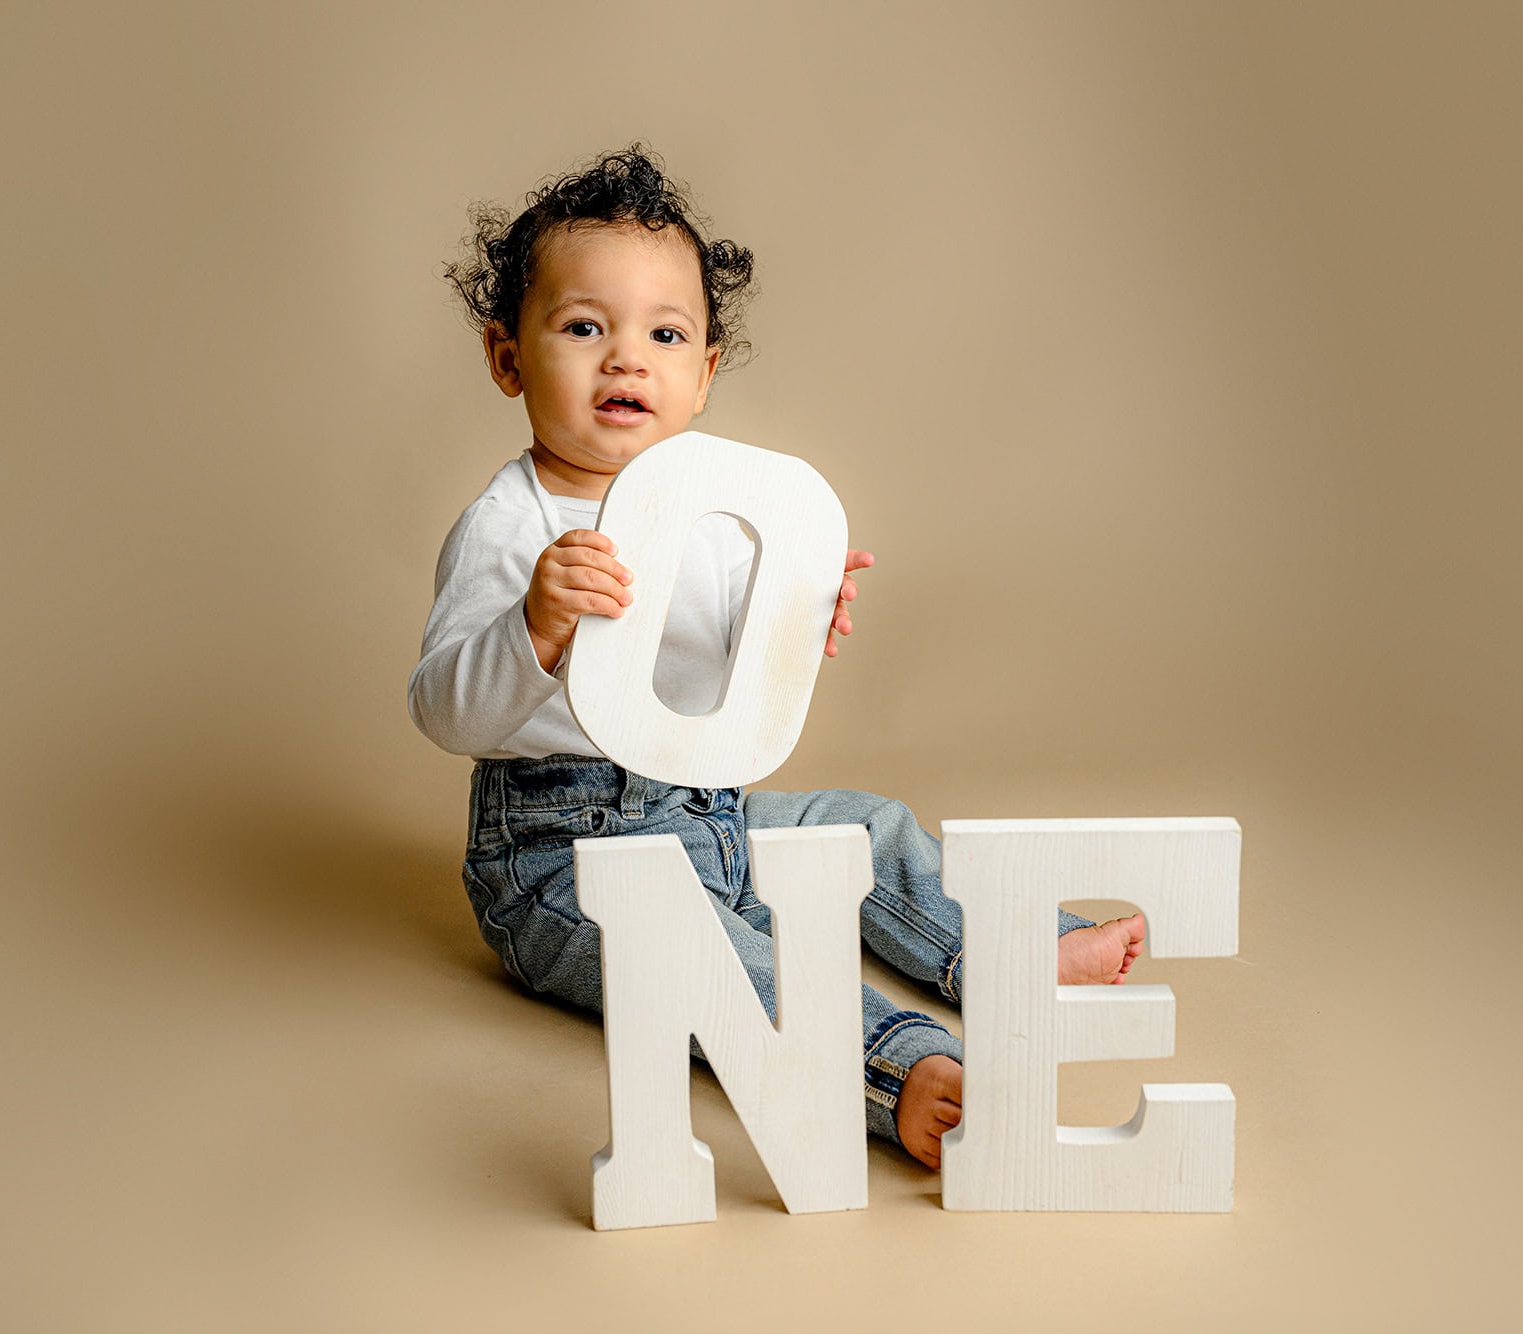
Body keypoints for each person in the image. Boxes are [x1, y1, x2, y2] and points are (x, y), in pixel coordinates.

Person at [408, 145, 1145, 1170]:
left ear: (702, 373)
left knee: (865, 825)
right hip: (558, 856)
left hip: (702, 808)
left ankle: (1009, 950)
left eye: (663, 334)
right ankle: (899, 1069)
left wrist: (796, 617)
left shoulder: (709, 514)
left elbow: (725, 678)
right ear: (507, 357)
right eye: (583, 327)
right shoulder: (508, 525)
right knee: (715, 957)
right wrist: (530, 626)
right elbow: (443, 709)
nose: (626, 358)